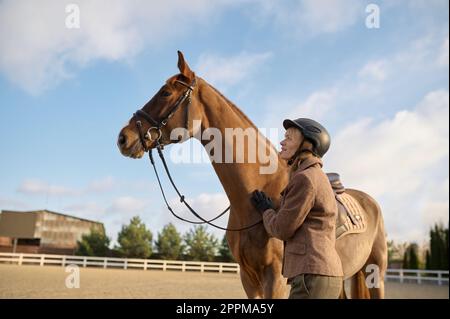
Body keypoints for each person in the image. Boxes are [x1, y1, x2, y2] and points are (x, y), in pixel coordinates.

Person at [251, 118, 344, 299]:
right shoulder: (315, 175)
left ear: (307, 145)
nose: (282, 142)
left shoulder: (305, 179)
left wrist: (266, 210)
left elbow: (281, 229)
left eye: (289, 138)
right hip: (321, 275)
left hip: (312, 276)